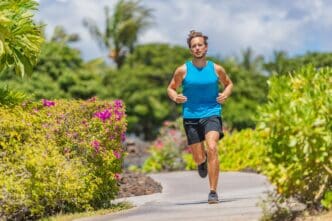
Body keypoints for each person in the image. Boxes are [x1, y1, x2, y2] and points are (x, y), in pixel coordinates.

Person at [167, 30, 233, 204]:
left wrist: (225, 94)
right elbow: (171, 88)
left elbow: (229, 84)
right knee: (198, 156)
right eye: (193, 46)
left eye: (200, 45)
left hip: (212, 113)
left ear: (206, 47)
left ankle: (213, 192)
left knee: (212, 147)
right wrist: (175, 97)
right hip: (191, 116)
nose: (197, 48)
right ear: (190, 50)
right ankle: (201, 161)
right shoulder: (183, 70)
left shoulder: (216, 69)